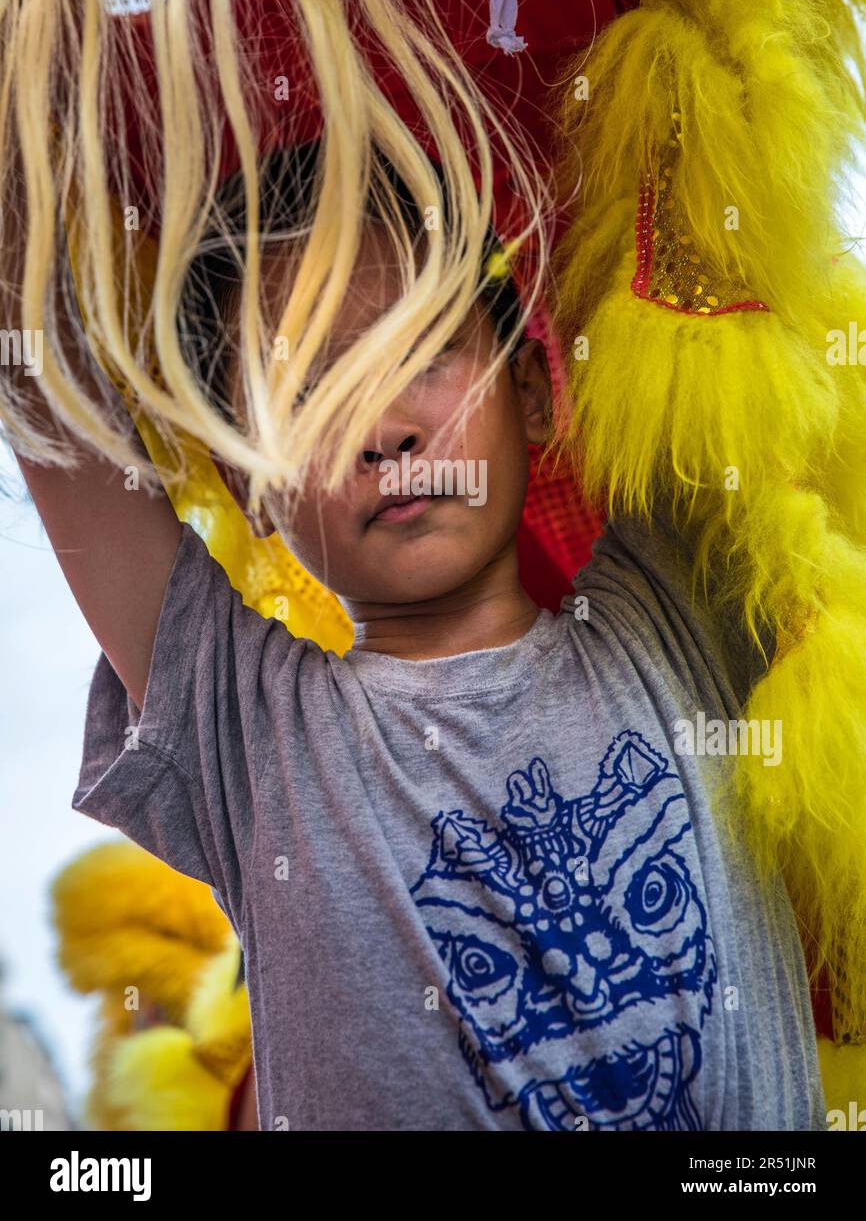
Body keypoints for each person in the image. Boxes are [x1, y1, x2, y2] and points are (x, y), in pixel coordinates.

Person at [12, 143, 825, 1131]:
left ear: (531, 389)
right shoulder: (248, 731)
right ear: (251, 490)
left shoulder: (676, 611)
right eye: (310, 391)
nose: (384, 429)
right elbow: (37, 364)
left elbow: (699, 165)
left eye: (420, 353)